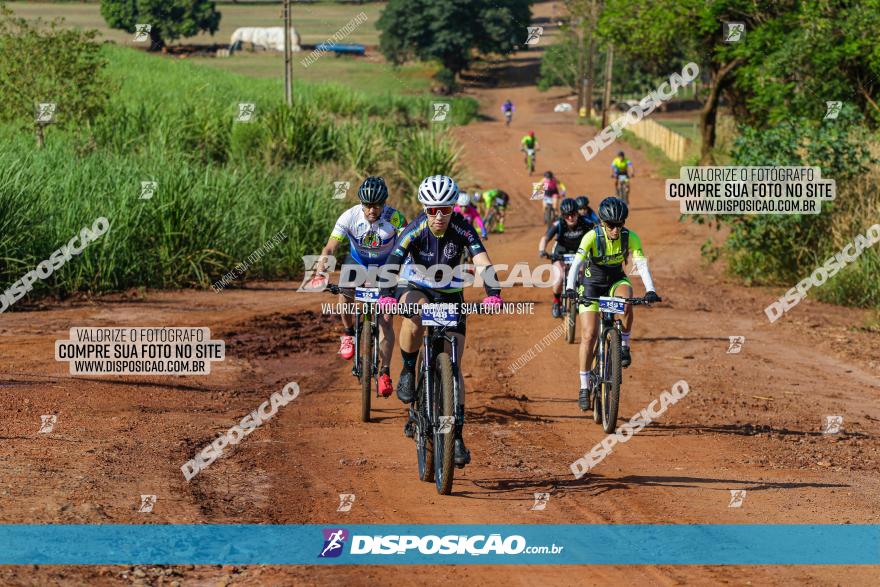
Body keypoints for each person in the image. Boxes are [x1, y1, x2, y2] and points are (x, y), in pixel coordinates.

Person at [376, 175, 502, 467]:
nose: (438, 216)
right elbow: (394, 260)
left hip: (449, 292)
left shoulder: (462, 227)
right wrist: (385, 293)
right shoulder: (417, 226)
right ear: (424, 208)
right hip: (415, 286)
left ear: (453, 208)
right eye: (432, 210)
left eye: (445, 209)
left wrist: (493, 291)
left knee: (454, 363)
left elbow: (482, 261)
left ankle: (455, 435)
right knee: (416, 316)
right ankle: (408, 369)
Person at [311, 177, 406, 398]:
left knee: (386, 321)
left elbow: (407, 247)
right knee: (344, 293)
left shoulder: (396, 218)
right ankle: (347, 333)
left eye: (377, 205)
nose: (372, 210)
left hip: (386, 266)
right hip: (357, 262)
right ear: (360, 202)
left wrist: (407, 273)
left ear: (384, 203)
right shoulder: (349, 216)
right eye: (367, 205)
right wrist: (321, 269)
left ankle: (384, 371)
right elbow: (330, 247)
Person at [564, 197, 660, 411]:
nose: (616, 230)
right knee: (588, 335)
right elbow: (577, 264)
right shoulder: (591, 236)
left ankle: (624, 346)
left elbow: (641, 265)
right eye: (611, 225)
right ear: (602, 223)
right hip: (592, 283)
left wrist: (651, 290)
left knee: (627, 300)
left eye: (620, 224)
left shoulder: (630, 237)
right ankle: (583, 386)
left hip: (616, 280)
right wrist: (570, 288)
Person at [538, 197, 592, 318]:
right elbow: (545, 238)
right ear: (563, 215)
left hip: (580, 252)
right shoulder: (558, 223)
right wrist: (542, 250)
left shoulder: (586, 223)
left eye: (573, 214)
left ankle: (581, 295)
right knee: (560, 276)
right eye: (566, 215)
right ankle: (556, 302)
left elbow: (597, 236)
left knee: (583, 272)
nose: (570, 218)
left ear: (577, 213)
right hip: (561, 252)